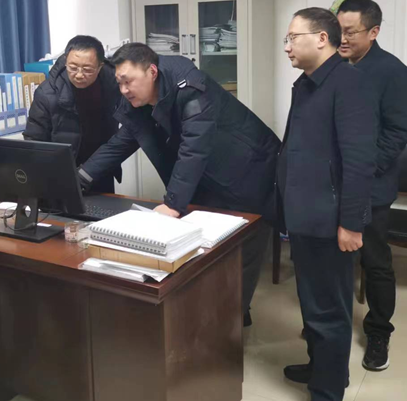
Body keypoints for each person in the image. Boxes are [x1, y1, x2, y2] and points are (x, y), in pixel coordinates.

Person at [77, 43, 281, 322]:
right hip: (206, 176)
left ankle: (231, 325)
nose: (123, 90)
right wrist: (79, 179)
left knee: (240, 253)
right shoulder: (139, 99)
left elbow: (194, 146)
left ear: (151, 72)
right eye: (119, 83)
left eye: (128, 81)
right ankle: (211, 321)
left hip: (248, 172)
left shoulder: (191, 87)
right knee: (206, 253)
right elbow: (121, 143)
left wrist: (173, 203)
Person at [279, 8, 376, 401]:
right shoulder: (307, 83)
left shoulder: (349, 82)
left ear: (322, 38)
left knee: (329, 310)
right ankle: (321, 366)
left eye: (293, 37)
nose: (287, 46)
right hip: (305, 212)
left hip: (329, 217)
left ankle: (328, 389)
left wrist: (351, 224)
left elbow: (359, 162)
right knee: (312, 302)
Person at [337, 0, 407, 371]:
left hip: (372, 186)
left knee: (375, 261)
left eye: (350, 32)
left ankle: (379, 332)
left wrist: (364, 170)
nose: (342, 38)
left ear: (373, 32)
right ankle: (332, 323)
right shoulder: (334, 67)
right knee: (335, 258)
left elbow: (400, 131)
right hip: (334, 184)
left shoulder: (392, 72)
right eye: (338, 30)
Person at [24, 35, 122, 192]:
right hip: (61, 174)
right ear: (65, 61)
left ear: (100, 67)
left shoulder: (115, 84)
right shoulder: (47, 93)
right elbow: (34, 140)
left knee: (105, 206)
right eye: (73, 67)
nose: (79, 75)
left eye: (87, 69)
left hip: (101, 167)